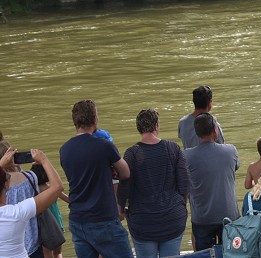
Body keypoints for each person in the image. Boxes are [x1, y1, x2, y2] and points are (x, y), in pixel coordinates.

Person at [59, 100, 133, 258]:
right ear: (94, 119)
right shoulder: (104, 145)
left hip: (77, 220)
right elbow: (125, 173)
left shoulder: (64, 150)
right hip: (103, 218)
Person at [117, 110, 189, 258]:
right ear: (156, 126)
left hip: (143, 222)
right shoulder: (173, 148)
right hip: (172, 219)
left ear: (139, 128)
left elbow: (125, 186)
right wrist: (180, 205)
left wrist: (120, 208)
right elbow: (185, 185)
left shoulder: (132, 154)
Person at [185, 113, 239, 253]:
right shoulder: (230, 151)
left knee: (203, 254)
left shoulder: (187, 156)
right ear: (215, 130)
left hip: (202, 218)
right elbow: (235, 167)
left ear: (197, 134)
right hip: (229, 215)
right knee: (231, 254)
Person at [1, 148, 63, 258]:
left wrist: (1, 164)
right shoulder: (17, 213)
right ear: (6, 185)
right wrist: (44, 160)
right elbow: (57, 187)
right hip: (32, 249)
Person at [178, 86, 224, 150]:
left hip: (189, 158)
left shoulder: (182, 122)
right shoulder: (212, 123)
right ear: (209, 103)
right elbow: (221, 146)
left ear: (194, 102)